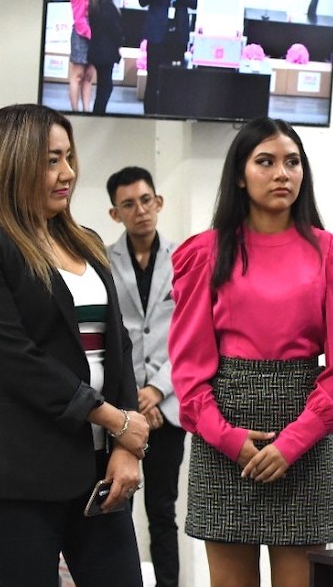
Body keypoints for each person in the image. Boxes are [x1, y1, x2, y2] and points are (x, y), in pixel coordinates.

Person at [168, 118, 333, 587]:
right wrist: (227, 438)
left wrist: (292, 443)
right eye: (266, 162)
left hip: (304, 438)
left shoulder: (332, 254)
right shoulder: (206, 253)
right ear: (239, 175)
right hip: (223, 438)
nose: (282, 173)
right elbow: (189, 368)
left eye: (292, 162)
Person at [0, 103, 150, 586]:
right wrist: (113, 418)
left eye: (68, 157)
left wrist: (125, 444)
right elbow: (13, 358)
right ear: (11, 163)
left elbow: (119, 348)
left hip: (100, 468)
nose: (67, 172)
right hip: (17, 473)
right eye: (51, 161)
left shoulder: (86, 241)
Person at [106, 166, 185, 587]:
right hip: (121, 407)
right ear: (115, 213)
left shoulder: (184, 259)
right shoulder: (102, 259)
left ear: (159, 202)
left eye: (146, 200)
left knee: (162, 510)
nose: (141, 210)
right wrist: (134, 395)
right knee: (116, 506)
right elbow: (107, 332)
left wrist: (156, 389)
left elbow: (191, 334)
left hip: (167, 406)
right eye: (129, 204)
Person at [138, 0, 198, 115]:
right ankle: (149, 114)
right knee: (153, 77)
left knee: (174, 78)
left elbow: (194, 3)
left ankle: (170, 113)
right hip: (157, 34)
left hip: (177, 35)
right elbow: (142, 0)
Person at [88, 0, 123, 115]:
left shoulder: (94, 4)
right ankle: (98, 115)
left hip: (97, 50)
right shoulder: (107, 7)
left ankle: (98, 113)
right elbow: (115, 30)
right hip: (105, 52)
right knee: (105, 88)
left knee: (104, 87)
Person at [68, 0, 99, 112]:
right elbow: (78, 16)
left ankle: (87, 110)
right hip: (82, 34)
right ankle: (75, 110)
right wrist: (90, 34)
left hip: (94, 31)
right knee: (77, 75)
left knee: (88, 76)